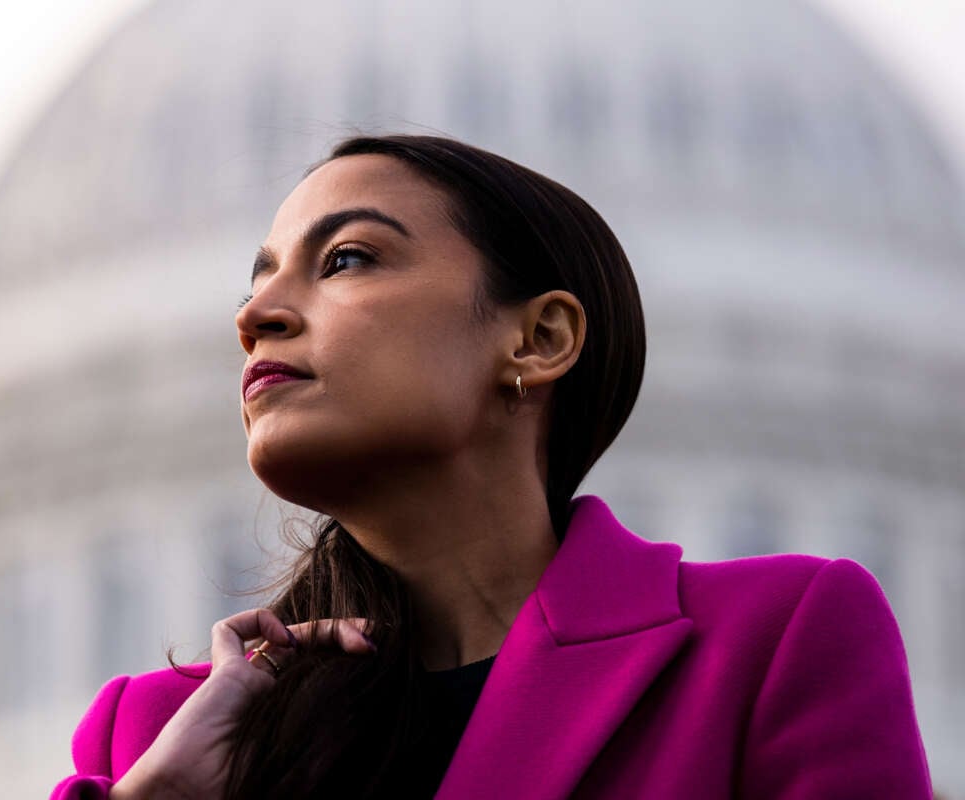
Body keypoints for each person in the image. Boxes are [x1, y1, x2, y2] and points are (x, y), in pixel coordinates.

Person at [50, 134, 932, 799]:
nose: (258, 317)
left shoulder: (771, 644)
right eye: (257, 285)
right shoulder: (153, 733)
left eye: (347, 259)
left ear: (540, 339)